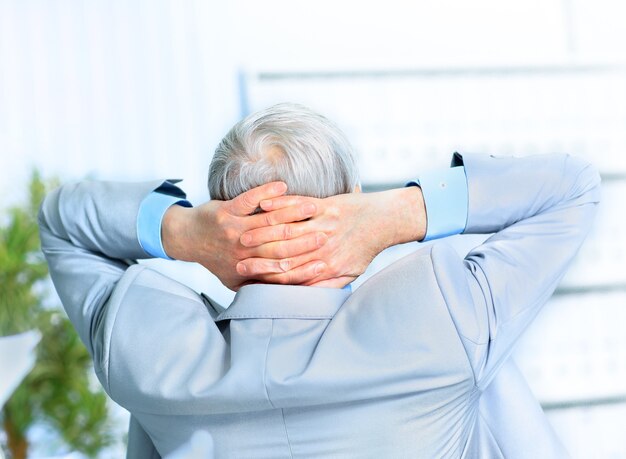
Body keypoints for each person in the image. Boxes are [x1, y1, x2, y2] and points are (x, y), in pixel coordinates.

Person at [38, 103, 600, 458]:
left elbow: (61, 221)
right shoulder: (444, 319)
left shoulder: (144, 350)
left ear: (221, 221)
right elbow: (572, 187)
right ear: (352, 202)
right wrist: (398, 215)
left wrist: (181, 232)